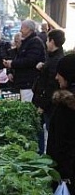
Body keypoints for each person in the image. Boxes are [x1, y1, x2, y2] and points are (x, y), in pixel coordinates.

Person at [32, 29, 65, 154]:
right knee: (40, 128)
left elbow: (52, 86)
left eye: (47, 40)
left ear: (52, 41)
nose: (46, 43)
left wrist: (42, 106)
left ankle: (45, 155)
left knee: (49, 131)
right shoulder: (53, 57)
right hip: (44, 100)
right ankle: (41, 153)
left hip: (47, 103)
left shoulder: (56, 61)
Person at [46, 54, 75, 194]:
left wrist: (63, 175)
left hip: (67, 175)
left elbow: (63, 143)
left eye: (60, 73)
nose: (57, 77)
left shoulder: (67, 106)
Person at [3, 19, 46, 102]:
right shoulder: (28, 41)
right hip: (23, 82)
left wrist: (12, 63)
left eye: (22, 28)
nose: (20, 30)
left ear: (28, 29)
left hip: (29, 83)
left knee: (27, 104)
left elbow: (29, 61)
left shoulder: (34, 42)